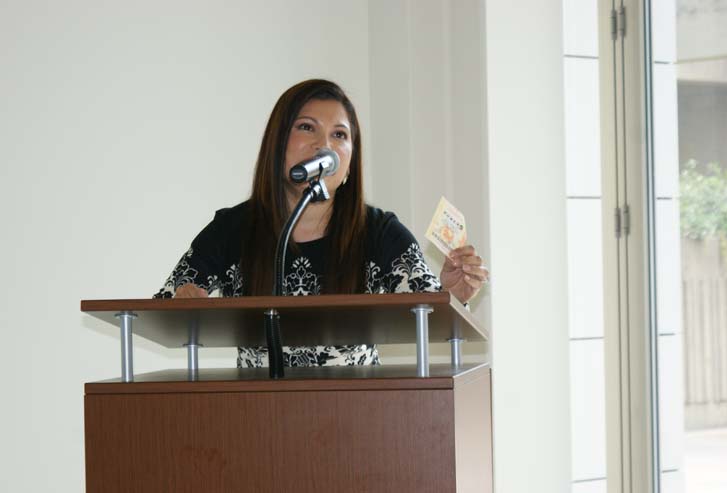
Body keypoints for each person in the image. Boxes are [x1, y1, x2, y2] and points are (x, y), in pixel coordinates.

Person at [154, 79, 489, 367]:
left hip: (355, 419)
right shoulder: (233, 228)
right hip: (256, 420)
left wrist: (451, 295)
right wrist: (185, 303)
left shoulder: (378, 231)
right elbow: (165, 308)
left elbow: (427, 313)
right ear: (277, 143)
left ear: (350, 162)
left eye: (339, 135)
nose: (323, 145)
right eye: (306, 127)